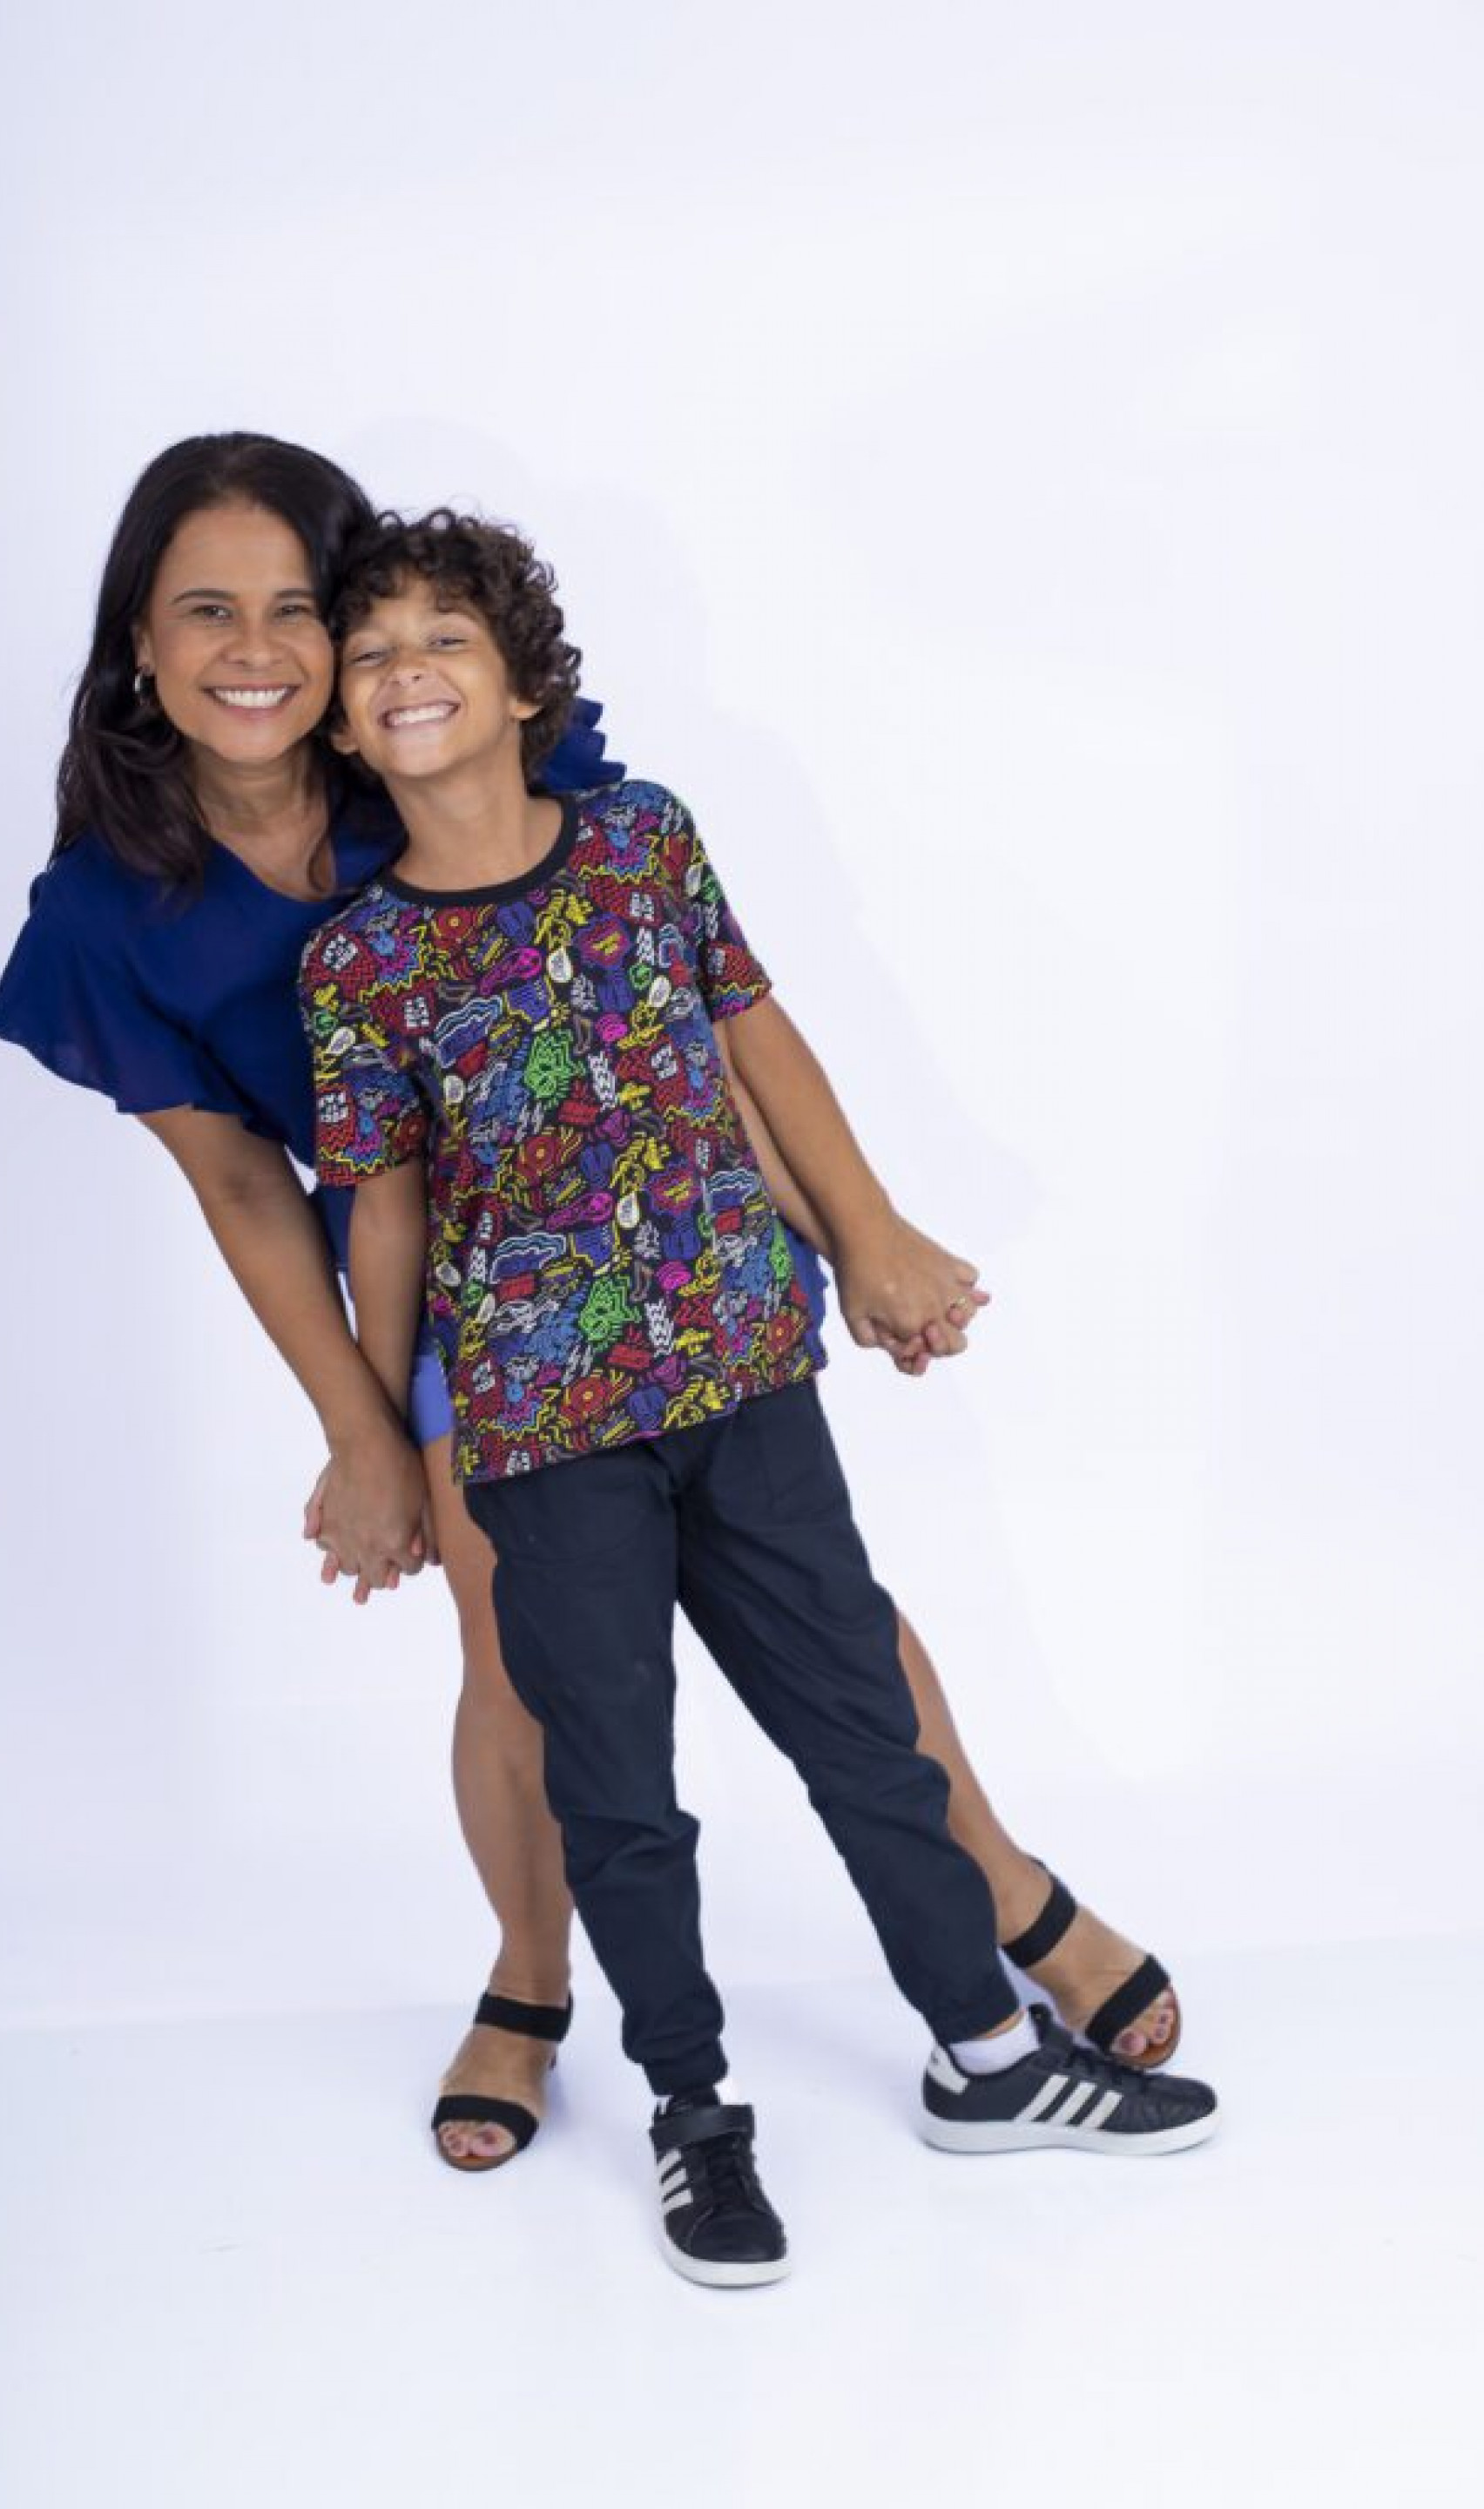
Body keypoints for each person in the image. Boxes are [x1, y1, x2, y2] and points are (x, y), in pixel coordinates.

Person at [0, 432, 1181, 2184]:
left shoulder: (447, 743)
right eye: (205, 611)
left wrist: (860, 1231)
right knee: (523, 1661)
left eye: (300, 609)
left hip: (679, 1252)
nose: (261, 649)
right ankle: (532, 1981)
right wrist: (364, 1430)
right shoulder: (112, 909)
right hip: (470, 1311)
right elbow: (251, 1186)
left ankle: (1005, 1894)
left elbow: (686, 1011)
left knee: (832, 1623)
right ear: (139, 645)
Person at [298, 511, 1218, 2283]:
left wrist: (871, 1236)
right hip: (542, 1428)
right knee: (620, 1789)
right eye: (375, 653)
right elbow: (383, 1208)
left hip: (743, 1368)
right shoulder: (359, 965)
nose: (409, 671)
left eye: (446, 640)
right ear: (343, 721)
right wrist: (384, 1436)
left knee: (863, 1725)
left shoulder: (645, 841)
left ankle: (991, 2055)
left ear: (523, 686)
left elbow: (755, 1041)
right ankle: (693, 2116)